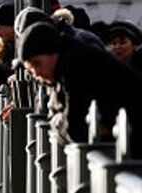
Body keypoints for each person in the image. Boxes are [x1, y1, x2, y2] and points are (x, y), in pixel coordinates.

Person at [17, 21, 142, 156]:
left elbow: (74, 130)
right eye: (30, 69)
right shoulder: (66, 62)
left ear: (53, 53)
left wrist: (60, 122)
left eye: (37, 63)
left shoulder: (75, 63)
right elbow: (60, 120)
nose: (36, 73)